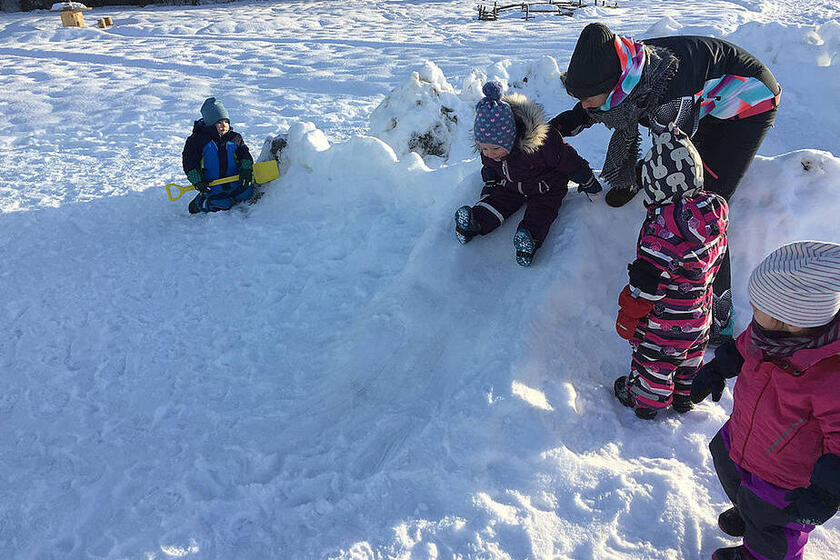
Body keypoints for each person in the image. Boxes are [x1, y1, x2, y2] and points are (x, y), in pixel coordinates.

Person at [554, 23, 781, 342]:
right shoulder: (623, 66)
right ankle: (634, 178)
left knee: (701, 207)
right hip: (706, 98)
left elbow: (675, 160)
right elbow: (595, 106)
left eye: (588, 98)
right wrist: (559, 128)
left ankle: (719, 314)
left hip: (749, 100)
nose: (585, 104)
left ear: (614, 85)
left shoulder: (670, 98)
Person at [691, 241, 840, 560]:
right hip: (745, 436)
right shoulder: (768, 332)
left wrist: (827, 492)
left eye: (762, 310)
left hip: (785, 474)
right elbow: (744, 346)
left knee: (773, 525)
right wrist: (717, 369)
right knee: (727, 464)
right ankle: (750, 514)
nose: (753, 314)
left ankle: (760, 548)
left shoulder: (832, 373)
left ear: (794, 319)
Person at [613, 123, 728, 420]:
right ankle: (684, 397)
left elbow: (647, 285)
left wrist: (628, 311)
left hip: (666, 321)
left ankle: (646, 402)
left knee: (655, 362)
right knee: (690, 358)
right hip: (700, 313)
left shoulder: (662, 231)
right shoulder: (712, 218)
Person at [455, 82, 601, 266]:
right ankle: (474, 222)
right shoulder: (491, 152)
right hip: (513, 185)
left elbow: (569, 160)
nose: (489, 153)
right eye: (483, 148)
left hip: (546, 187)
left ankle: (529, 239)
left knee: (542, 211)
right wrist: (490, 181)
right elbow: (489, 166)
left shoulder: (541, 144)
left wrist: (587, 181)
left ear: (510, 139)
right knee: (498, 200)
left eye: (495, 148)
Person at [182, 97, 254, 214]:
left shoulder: (235, 138)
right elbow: (190, 163)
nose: (223, 125)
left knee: (247, 193)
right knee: (223, 204)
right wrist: (197, 181)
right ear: (210, 124)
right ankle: (200, 203)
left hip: (234, 181)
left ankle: (231, 195)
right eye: (219, 123)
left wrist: (246, 169)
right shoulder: (197, 141)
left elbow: (244, 155)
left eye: (226, 122)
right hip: (213, 185)